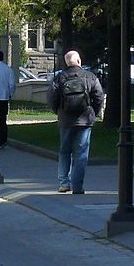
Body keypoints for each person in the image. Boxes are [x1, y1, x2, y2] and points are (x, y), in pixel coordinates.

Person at [49, 50, 105, 194]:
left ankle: (64, 183)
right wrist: (94, 112)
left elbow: (52, 98)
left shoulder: (59, 78)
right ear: (79, 61)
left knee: (64, 151)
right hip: (84, 120)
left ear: (66, 63)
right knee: (81, 154)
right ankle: (78, 186)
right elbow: (99, 96)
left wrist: (59, 112)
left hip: (66, 120)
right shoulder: (90, 77)